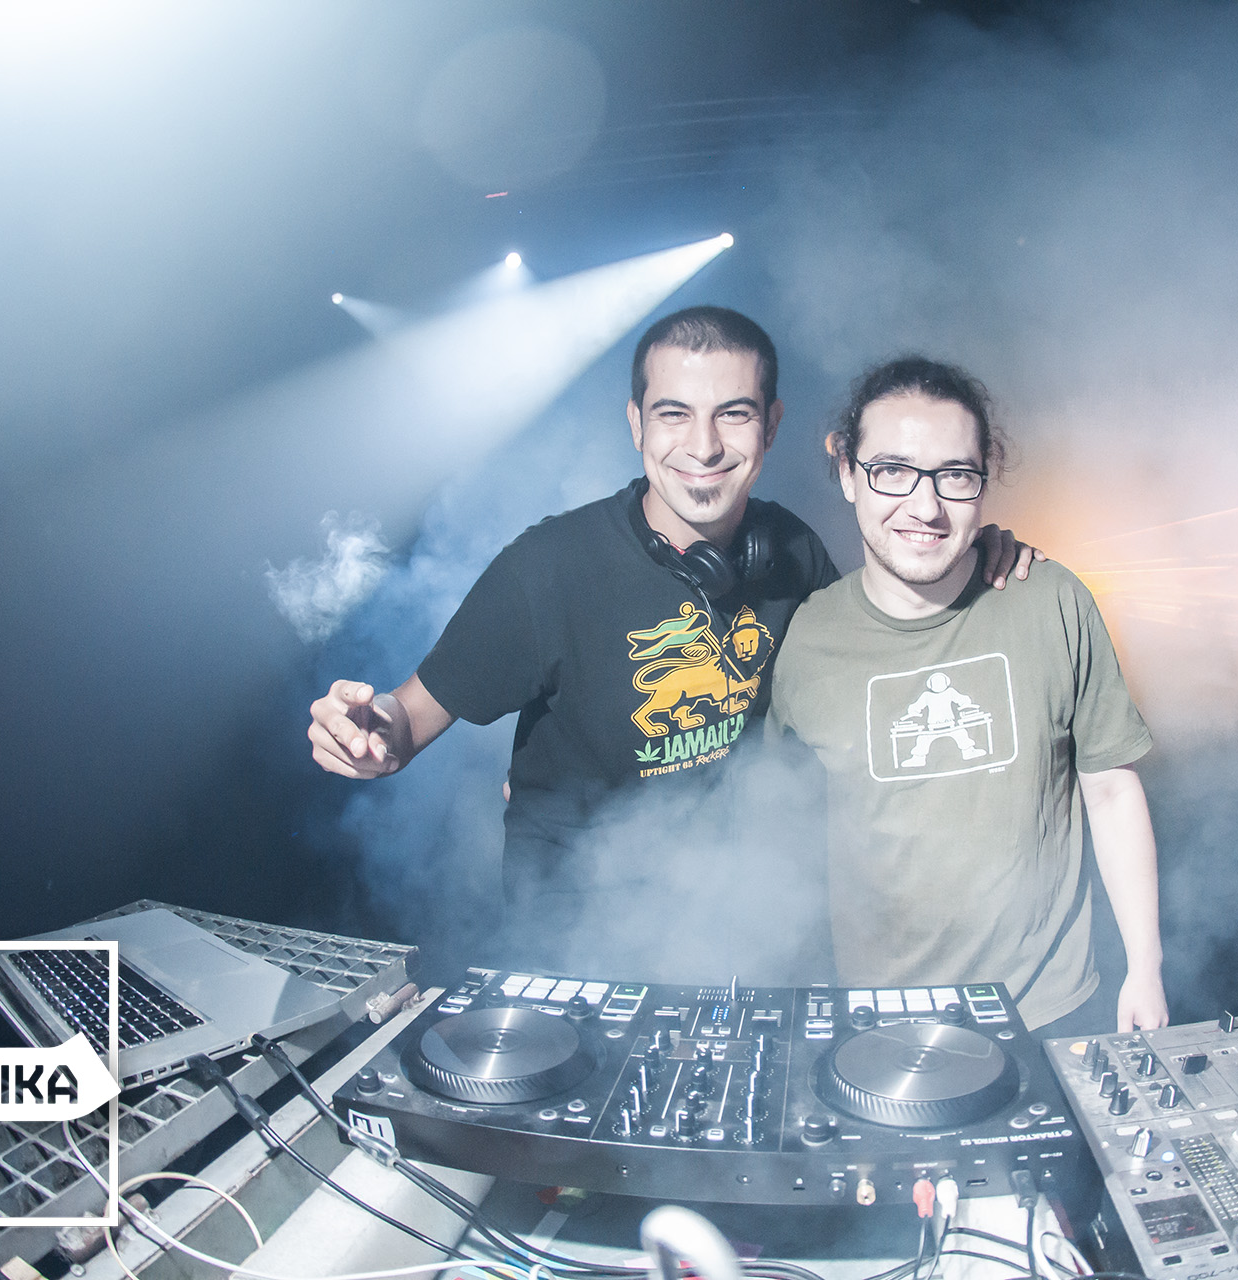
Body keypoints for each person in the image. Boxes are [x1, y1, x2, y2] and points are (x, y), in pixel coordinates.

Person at [306, 308, 1036, 977]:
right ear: (637, 424)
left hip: (748, 931)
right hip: (577, 946)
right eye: (674, 413)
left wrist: (969, 557)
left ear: (771, 425)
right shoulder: (549, 568)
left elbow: (875, 668)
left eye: (734, 414)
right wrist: (369, 735)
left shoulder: (792, 550)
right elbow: (406, 722)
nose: (704, 445)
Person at [767, 356, 1169, 1035]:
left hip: (1048, 1012)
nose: (925, 507)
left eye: (955, 475)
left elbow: (1110, 789)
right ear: (847, 474)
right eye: (892, 470)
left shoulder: (1052, 600)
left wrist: (1145, 969)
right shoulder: (808, 639)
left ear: (985, 479)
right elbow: (780, 835)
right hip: (880, 1022)